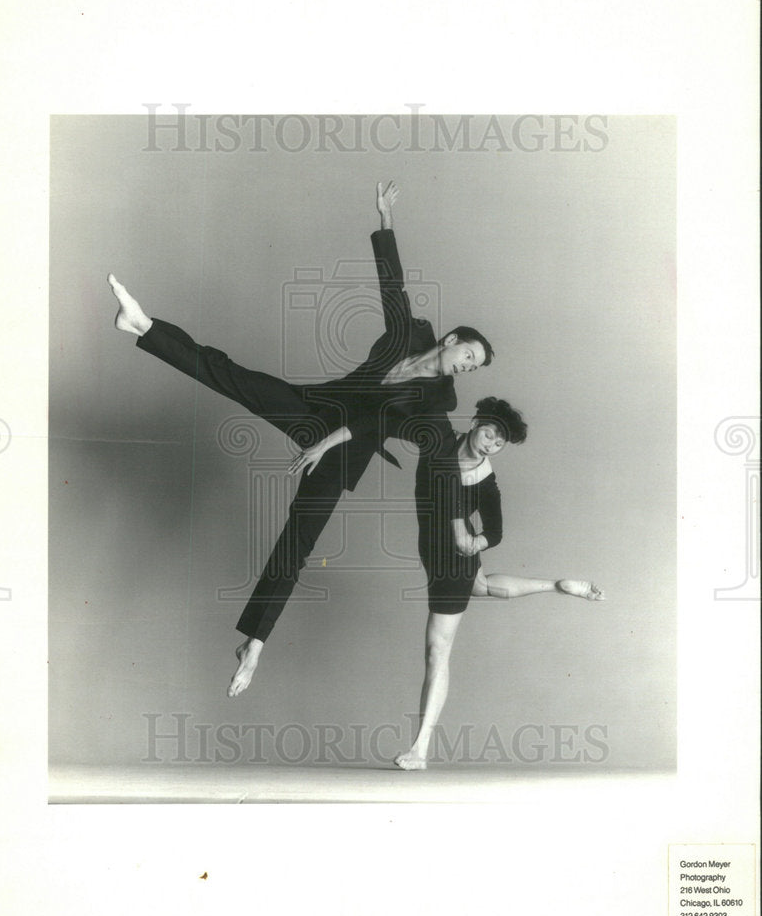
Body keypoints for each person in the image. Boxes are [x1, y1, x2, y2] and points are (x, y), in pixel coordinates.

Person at [108, 181, 494, 695]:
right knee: (236, 378)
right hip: (319, 408)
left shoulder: (438, 401)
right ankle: (143, 326)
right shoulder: (409, 332)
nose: (468, 366)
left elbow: (379, 425)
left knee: (299, 538)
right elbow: (392, 285)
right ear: (451, 340)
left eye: (475, 367)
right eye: (469, 355)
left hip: (346, 448)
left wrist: (325, 447)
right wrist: (385, 220)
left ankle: (254, 643)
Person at [394, 397, 605, 771]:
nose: (490, 445)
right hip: (439, 551)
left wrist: (475, 542)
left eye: (499, 443)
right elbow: (403, 431)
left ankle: (419, 749)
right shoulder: (441, 442)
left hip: (450, 562)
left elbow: (495, 531)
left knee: (437, 651)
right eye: (489, 434)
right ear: (476, 424)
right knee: (481, 586)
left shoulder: (485, 480)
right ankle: (557, 585)